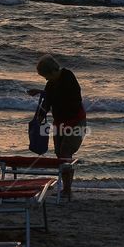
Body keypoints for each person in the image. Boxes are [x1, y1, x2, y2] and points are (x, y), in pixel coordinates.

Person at [27, 54, 86, 198]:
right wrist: (39, 117)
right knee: (60, 155)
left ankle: (67, 190)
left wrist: (41, 92)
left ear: (53, 71)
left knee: (65, 153)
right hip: (59, 123)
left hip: (76, 121)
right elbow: (47, 103)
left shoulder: (68, 77)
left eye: (46, 76)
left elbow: (68, 99)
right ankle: (66, 188)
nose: (46, 79)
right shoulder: (51, 84)